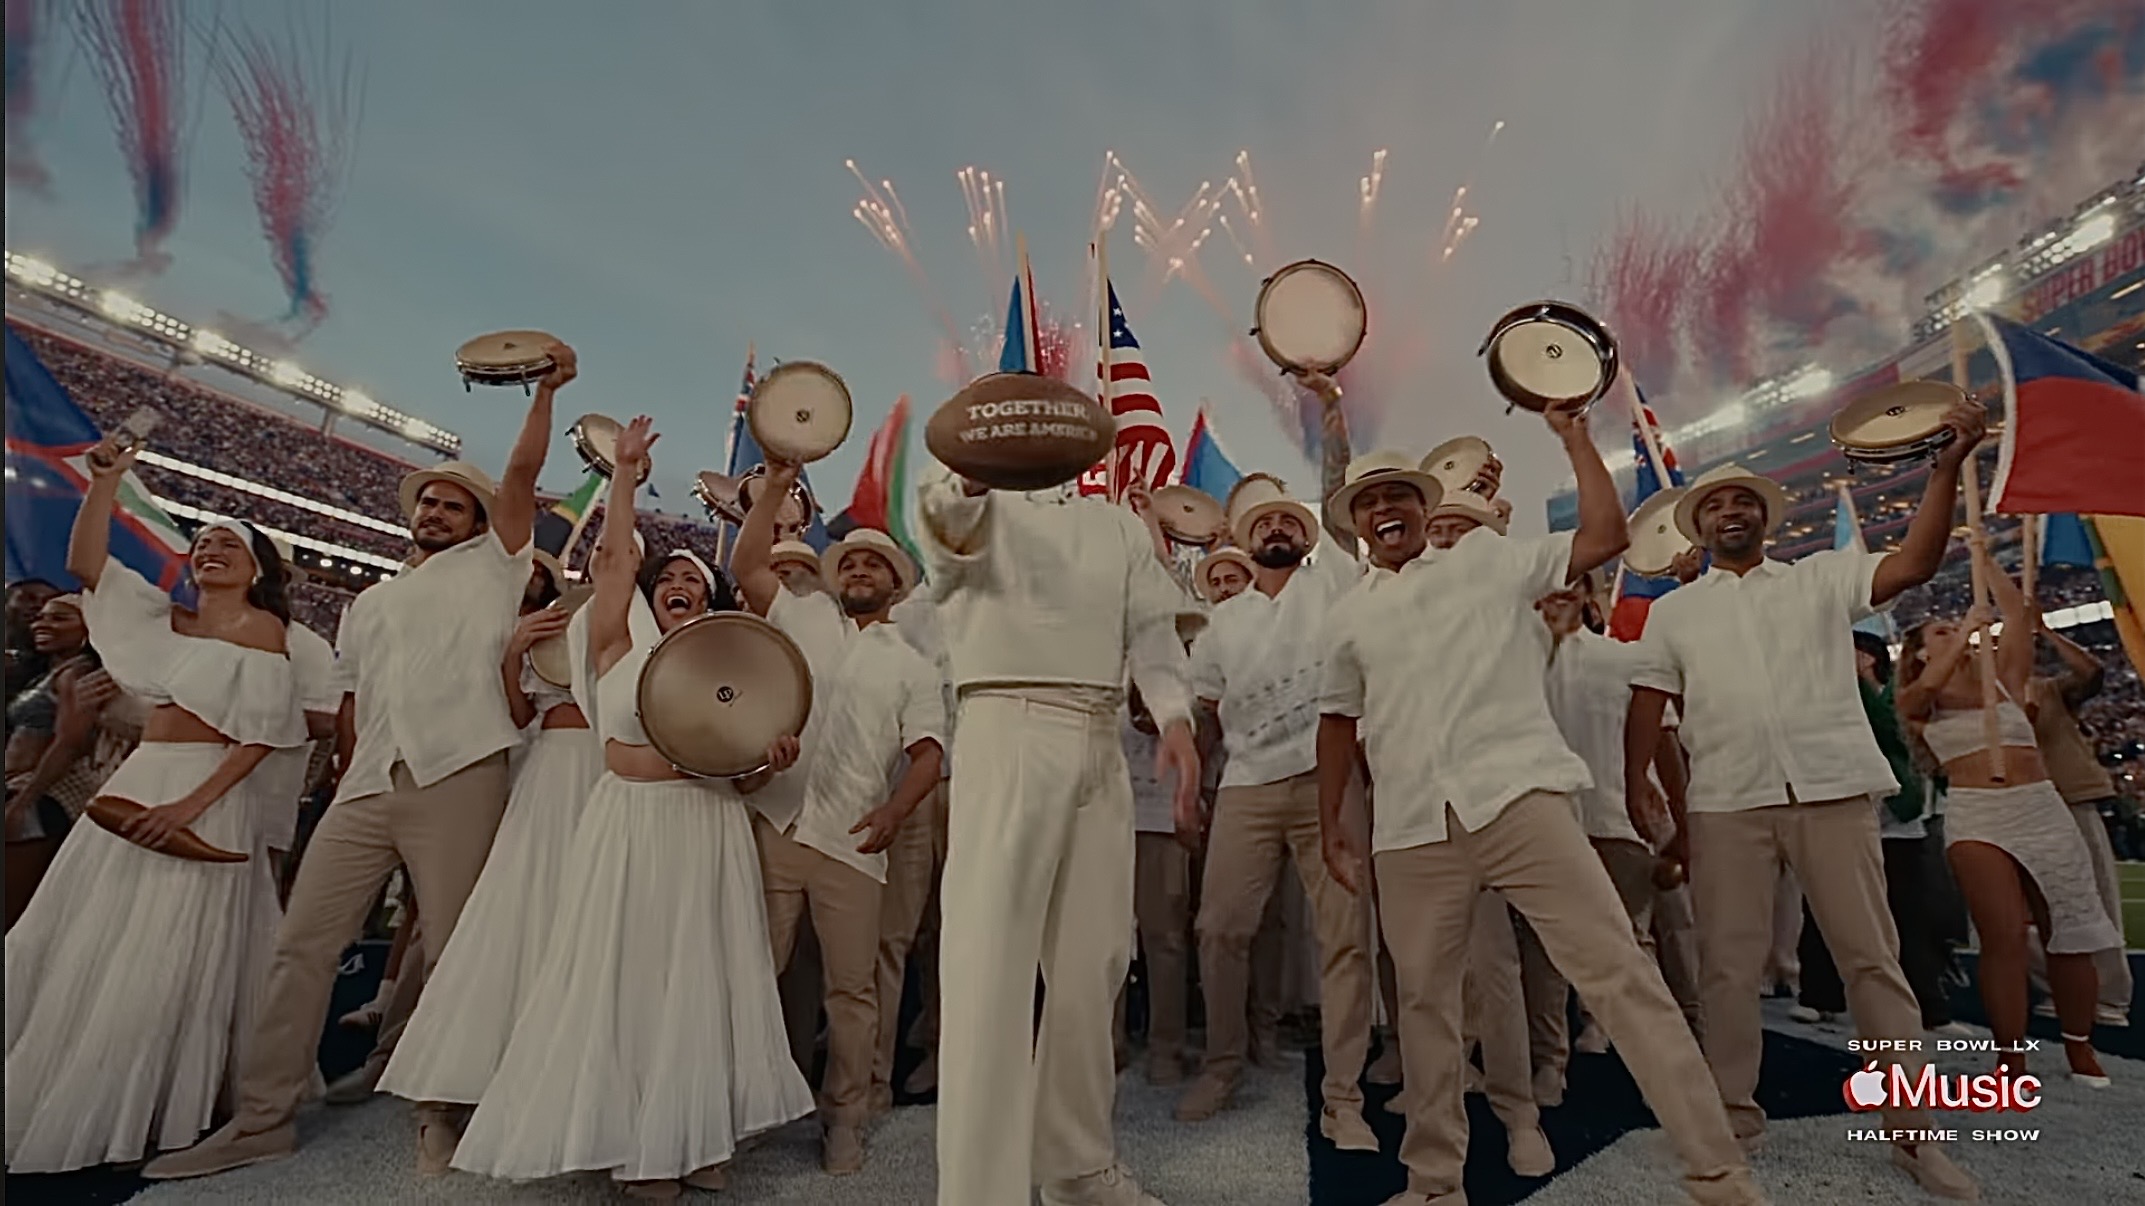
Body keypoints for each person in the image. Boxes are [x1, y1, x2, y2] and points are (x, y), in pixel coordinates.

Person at [143, 342, 575, 1181]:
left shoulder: (497, 568)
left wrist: (543, 398)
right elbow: (349, 701)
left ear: (483, 524)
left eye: (456, 505)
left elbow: (522, 477)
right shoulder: (371, 603)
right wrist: (344, 772)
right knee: (300, 945)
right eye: (431, 504)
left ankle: (443, 1114)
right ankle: (265, 1117)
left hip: (462, 771)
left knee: (454, 951)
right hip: (370, 782)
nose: (439, 512)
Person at [1319, 397, 1762, 1206]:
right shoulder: (1344, 617)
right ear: (1354, 523)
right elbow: (1337, 722)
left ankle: (1718, 1173)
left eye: (1399, 496)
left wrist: (1572, 436)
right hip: (1412, 824)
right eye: (1368, 501)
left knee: (1618, 974)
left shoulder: (1487, 560)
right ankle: (1432, 1183)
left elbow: (1604, 537)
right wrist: (1331, 830)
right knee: (1422, 1004)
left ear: (1427, 509)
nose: (1385, 509)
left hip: (1519, 794)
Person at [1624, 399, 1986, 1201]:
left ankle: (1911, 1136)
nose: (1728, 511)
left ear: (1763, 517)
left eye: (1741, 501)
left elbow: (1916, 565)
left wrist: (1944, 470)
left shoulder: (1822, 578)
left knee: (1872, 964)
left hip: (1828, 791)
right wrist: (1642, 802)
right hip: (1726, 802)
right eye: (1714, 504)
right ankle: (1730, 1119)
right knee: (1725, 970)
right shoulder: (1670, 612)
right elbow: (1645, 711)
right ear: (1697, 525)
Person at [450, 418, 812, 1196]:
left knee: (701, 980)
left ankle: (695, 1133)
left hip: (707, 829)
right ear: (653, 596)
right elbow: (613, 560)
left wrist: (769, 759)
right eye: (668, 579)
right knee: (632, 976)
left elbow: (745, 778)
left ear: (710, 600)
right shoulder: (614, 646)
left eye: (695, 580)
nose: (681, 584)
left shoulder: (735, 666)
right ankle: (639, 1145)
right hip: (628, 826)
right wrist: (624, 476)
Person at [8, 437, 317, 1172]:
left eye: (229, 546)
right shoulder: (157, 619)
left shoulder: (262, 630)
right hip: (140, 778)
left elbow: (258, 738)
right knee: (90, 933)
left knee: (170, 947)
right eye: (203, 543)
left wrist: (187, 808)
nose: (212, 551)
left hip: (207, 792)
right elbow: (88, 564)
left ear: (256, 571)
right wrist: (106, 483)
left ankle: (149, 1101)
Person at [915, 450, 1201, 1206]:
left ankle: (1076, 1166)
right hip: (1004, 726)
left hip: (1099, 735)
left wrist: (1174, 718)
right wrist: (972, 479)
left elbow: (1151, 629)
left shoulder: (1114, 525)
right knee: (988, 967)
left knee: (1096, 960)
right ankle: (979, 1193)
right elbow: (945, 543)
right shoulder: (961, 500)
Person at [732, 459, 946, 1174]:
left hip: (855, 843)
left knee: (850, 992)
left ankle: (845, 1118)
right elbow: (745, 560)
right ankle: (747, 1107)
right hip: (777, 823)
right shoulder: (800, 613)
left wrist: (892, 811)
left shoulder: (912, 665)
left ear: (894, 586)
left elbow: (926, 754)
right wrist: (774, 486)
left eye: (872, 565)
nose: (857, 570)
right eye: (848, 560)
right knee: (755, 976)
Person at [1176, 471, 1377, 1149]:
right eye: (1262, 523)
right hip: (1247, 786)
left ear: (1308, 535)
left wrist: (1327, 405)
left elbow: (1339, 491)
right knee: (1219, 927)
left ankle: (1342, 1096)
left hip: (1330, 775)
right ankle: (1222, 1064)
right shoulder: (1220, 621)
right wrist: (1187, 784)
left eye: (1287, 521)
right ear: (1241, 539)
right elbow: (1202, 712)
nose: (1276, 529)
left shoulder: (1335, 582)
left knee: (1345, 931)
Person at [374, 582, 603, 1110]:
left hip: (607, 774)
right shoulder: (552, 626)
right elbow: (520, 714)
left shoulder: (637, 629)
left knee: (588, 906)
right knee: (527, 906)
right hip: (549, 773)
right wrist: (514, 651)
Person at [1896, 567, 2119, 1086]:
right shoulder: (1918, 701)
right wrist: (1968, 630)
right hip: (1978, 814)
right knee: (2004, 938)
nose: (1955, 632)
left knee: (2068, 929)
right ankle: (2011, 1057)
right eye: (1940, 632)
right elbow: (1922, 689)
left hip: (2040, 806)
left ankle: (2079, 1046)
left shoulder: (2006, 682)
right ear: (1921, 652)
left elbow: (2016, 613)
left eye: (1956, 627)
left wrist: (1982, 561)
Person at [1792, 631, 1955, 1034]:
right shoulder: (1824, 695)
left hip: (1898, 819)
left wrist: (1862, 682)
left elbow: (1890, 728)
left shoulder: (1895, 695)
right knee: (1824, 910)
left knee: (1909, 917)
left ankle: (1928, 1005)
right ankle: (1819, 996)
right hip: (1843, 808)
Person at [2022, 617, 2133, 1028]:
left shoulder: (2049, 689)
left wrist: (2048, 632)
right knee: (2022, 912)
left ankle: (2107, 995)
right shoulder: (1979, 698)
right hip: (2015, 806)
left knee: (2096, 899)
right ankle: (2058, 987)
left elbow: (2091, 673)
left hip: (2068, 798)